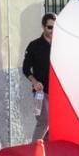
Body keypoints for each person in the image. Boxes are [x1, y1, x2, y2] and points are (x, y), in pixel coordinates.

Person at [22, 13, 55, 142]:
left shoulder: (60, 45)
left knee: (54, 124)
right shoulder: (34, 46)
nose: (52, 30)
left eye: (55, 27)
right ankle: (33, 151)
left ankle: (45, 151)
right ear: (43, 26)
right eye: (49, 27)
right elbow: (25, 69)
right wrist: (35, 82)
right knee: (43, 122)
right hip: (39, 93)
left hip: (56, 93)